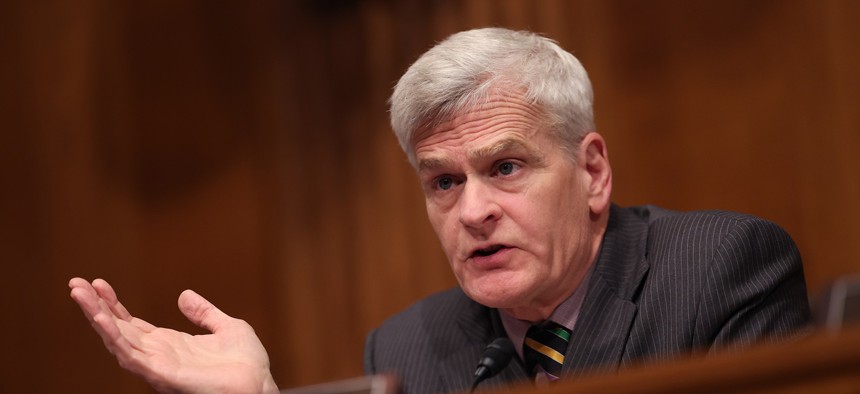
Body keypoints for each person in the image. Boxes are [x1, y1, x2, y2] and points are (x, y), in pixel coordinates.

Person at [70, 27, 811, 394]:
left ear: (591, 172)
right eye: (443, 182)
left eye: (506, 167)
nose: (474, 210)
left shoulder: (720, 270)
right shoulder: (407, 349)